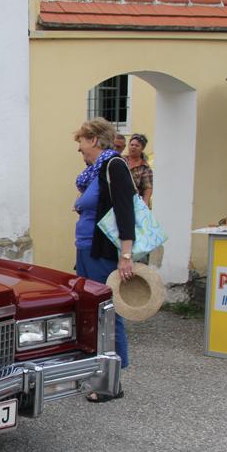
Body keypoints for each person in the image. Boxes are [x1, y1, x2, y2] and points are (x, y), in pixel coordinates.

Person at [72, 117, 136, 390]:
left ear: (94, 140)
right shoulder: (95, 171)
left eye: (82, 143)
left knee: (108, 313)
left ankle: (112, 382)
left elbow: (125, 210)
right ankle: (97, 372)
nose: (80, 149)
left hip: (102, 252)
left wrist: (126, 255)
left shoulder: (114, 165)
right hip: (87, 250)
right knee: (90, 310)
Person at [125, 133, 154, 208]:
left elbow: (148, 188)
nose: (133, 147)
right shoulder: (121, 160)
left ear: (142, 148)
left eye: (137, 146)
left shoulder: (145, 167)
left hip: (135, 204)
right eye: (131, 145)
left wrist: (144, 205)